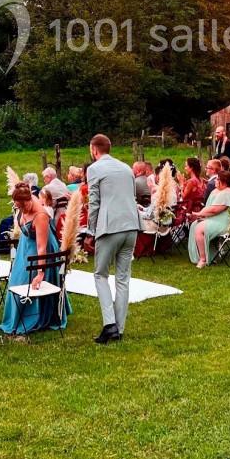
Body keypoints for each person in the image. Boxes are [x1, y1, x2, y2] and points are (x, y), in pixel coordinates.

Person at [84, 133, 141, 344]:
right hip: (131, 225)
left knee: (100, 274)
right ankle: (120, 327)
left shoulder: (95, 169)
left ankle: (109, 324)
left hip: (109, 227)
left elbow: (94, 202)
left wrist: (90, 232)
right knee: (123, 278)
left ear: (94, 149)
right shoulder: (126, 168)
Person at [0, 184, 68, 336]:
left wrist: (41, 272)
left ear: (28, 202)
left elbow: (41, 247)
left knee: (26, 281)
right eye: (17, 207)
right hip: (25, 246)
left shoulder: (40, 216)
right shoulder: (26, 198)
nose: (20, 210)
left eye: (21, 207)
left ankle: (34, 317)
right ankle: (16, 318)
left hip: (39, 249)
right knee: (15, 280)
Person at [188, 169, 230, 268]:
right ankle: (211, 255)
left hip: (226, 222)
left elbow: (215, 210)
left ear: (224, 181)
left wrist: (199, 214)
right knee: (195, 224)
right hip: (215, 219)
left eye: (217, 179)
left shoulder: (227, 193)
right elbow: (209, 207)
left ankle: (203, 259)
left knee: (199, 228)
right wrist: (200, 215)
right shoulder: (216, 191)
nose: (215, 181)